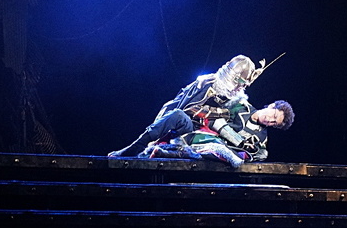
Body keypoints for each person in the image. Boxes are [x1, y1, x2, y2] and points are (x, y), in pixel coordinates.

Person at [107, 54, 294, 163]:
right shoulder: (238, 103)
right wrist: (218, 114)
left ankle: (167, 151)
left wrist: (242, 147)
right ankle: (134, 149)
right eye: (273, 115)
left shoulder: (260, 136)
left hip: (211, 144)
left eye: (274, 123)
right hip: (193, 127)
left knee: (213, 147)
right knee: (177, 115)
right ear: (271, 106)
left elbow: (258, 154)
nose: (270, 120)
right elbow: (196, 110)